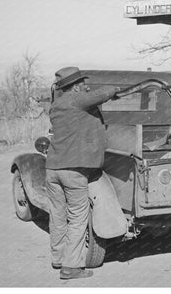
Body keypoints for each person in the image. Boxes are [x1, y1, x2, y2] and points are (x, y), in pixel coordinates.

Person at [45, 67, 121, 280]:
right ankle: (71, 267)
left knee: (58, 215)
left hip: (53, 168)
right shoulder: (76, 100)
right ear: (76, 85)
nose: (85, 86)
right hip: (73, 170)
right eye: (82, 83)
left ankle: (58, 258)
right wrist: (115, 89)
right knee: (78, 217)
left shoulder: (56, 105)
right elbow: (101, 94)